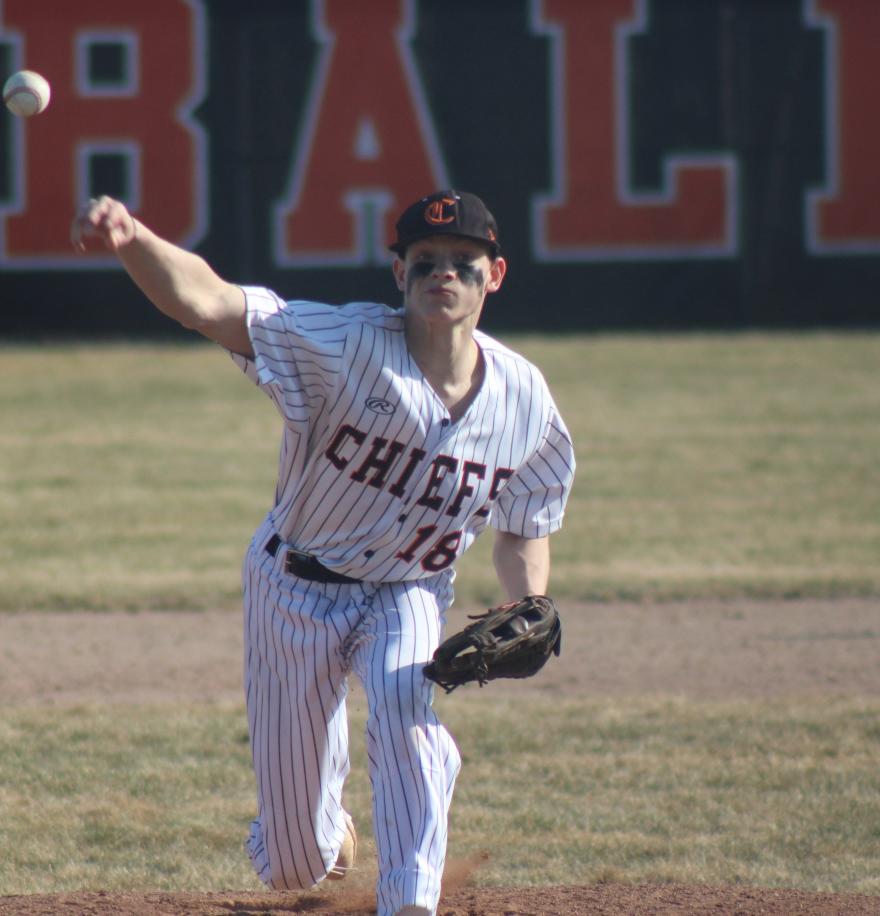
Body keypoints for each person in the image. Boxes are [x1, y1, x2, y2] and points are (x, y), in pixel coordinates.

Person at [71, 189, 575, 916]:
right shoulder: (339, 347)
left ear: (494, 275)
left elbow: (528, 514)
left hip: (410, 587)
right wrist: (130, 238)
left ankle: (409, 904)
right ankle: (326, 831)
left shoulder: (524, 398)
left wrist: (528, 597)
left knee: (410, 719)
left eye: (465, 263)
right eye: (426, 261)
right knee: (295, 865)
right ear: (396, 271)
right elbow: (207, 303)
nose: (445, 275)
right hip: (295, 586)